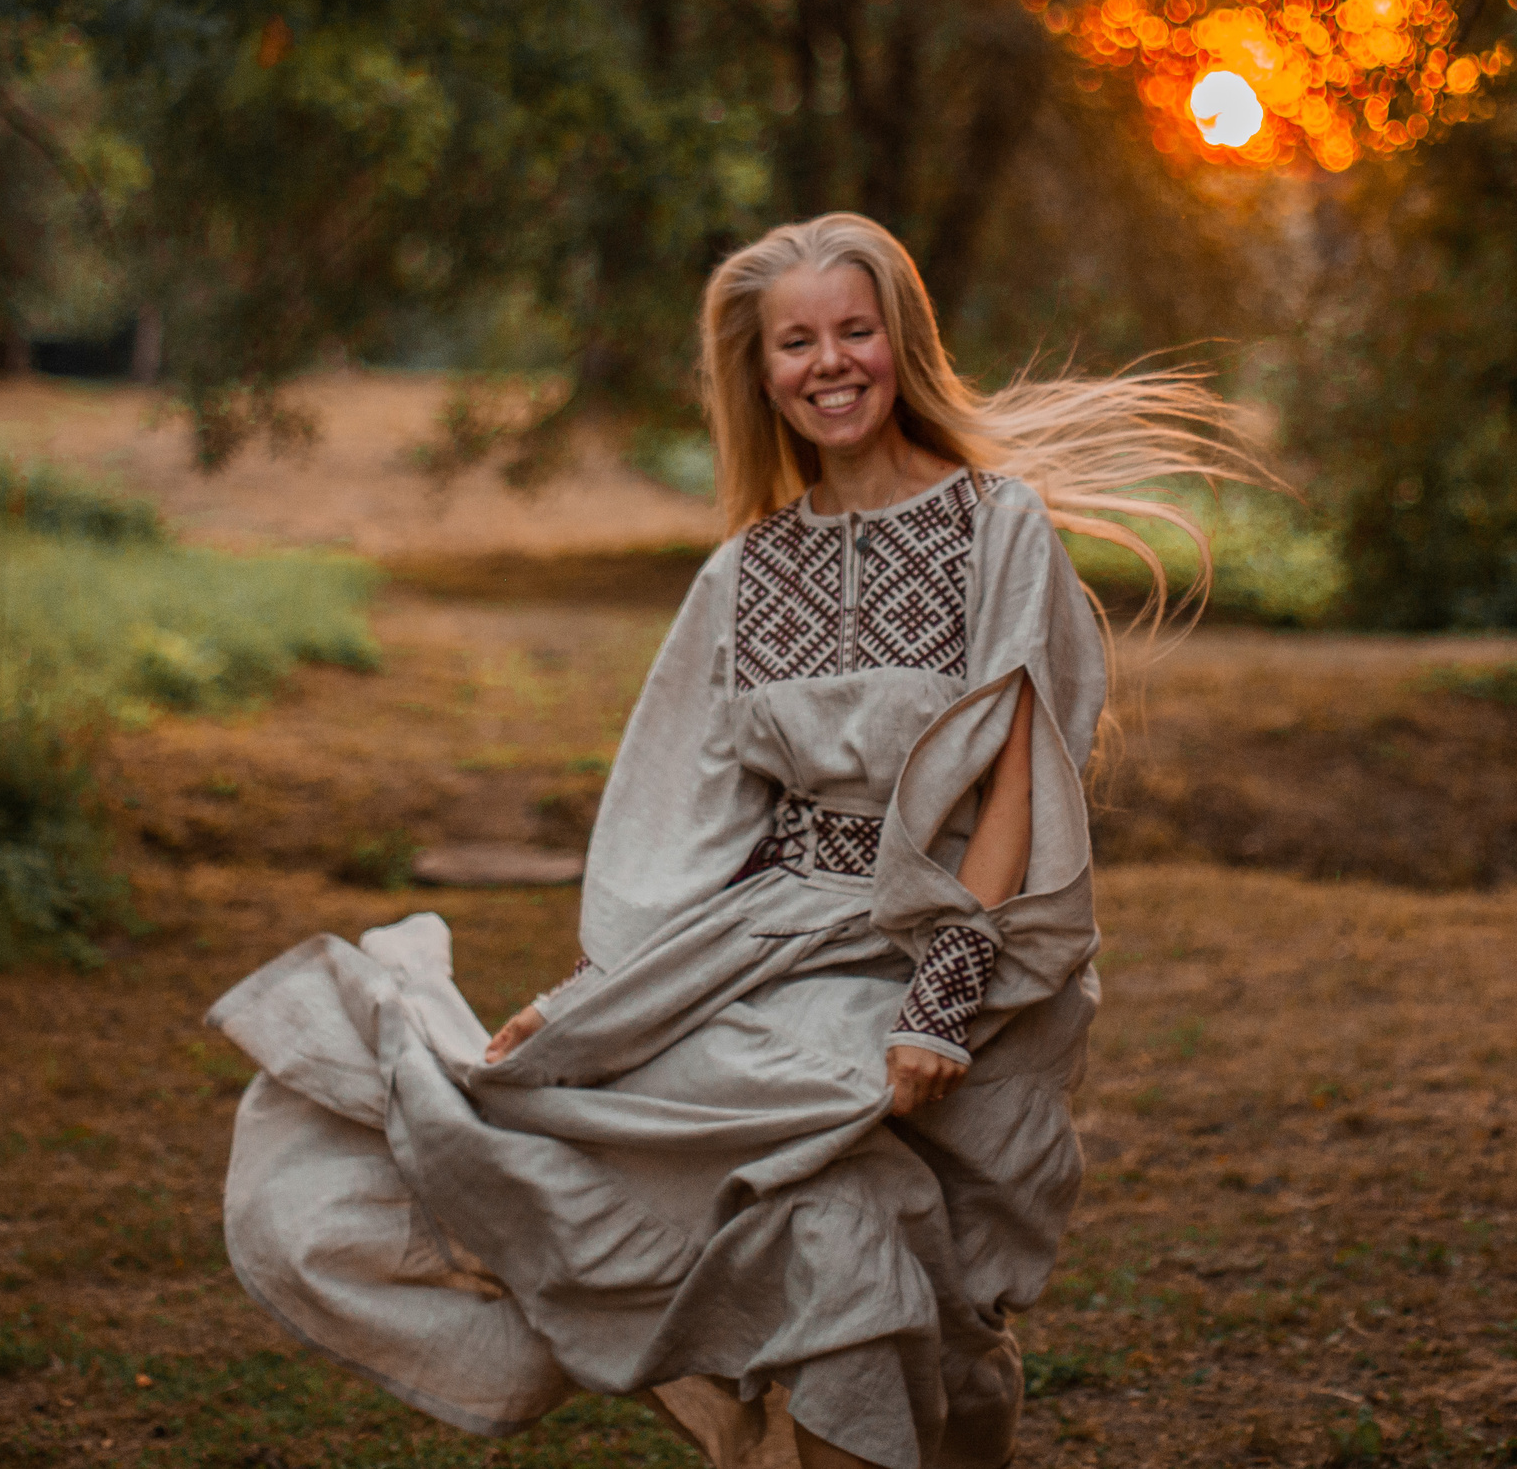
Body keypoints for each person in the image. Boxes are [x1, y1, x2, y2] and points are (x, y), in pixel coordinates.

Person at [206, 213, 1251, 1469]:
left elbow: (1020, 779)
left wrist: (943, 991)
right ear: (760, 372)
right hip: (775, 952)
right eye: (795, 340)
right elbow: (691, 825)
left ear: (900, 338)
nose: (829, 362)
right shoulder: (744, 575)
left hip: (952, 946)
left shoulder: (997, 525)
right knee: (821, 1229)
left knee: (929, 1288)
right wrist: (587, 996)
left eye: (853, 329)